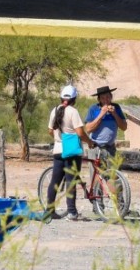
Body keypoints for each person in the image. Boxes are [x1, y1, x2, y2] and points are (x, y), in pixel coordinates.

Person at [47, 85, 94, 221]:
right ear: (74, 99)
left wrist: (58, 139)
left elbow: (50, 130)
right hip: (72, 152)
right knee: (71, 181)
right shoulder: (73, 111)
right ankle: (72, 212)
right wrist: (89, 142)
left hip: (58, 150)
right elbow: (80, 132)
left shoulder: (54, 110)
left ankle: (50, 211)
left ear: (62, 97)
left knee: (55, 181)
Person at [85, 85, 127, 168]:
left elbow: (124, 127)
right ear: (99, 99)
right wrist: (101, 114)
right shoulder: (93, 109)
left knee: (114, 176)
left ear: (111, 97)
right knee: (97, 177)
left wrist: (115, 114)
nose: (106, 100)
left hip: (111, 148)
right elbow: (88, 129)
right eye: (103, 98)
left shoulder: (116, 107)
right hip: (96, 147)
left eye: (108, 97)